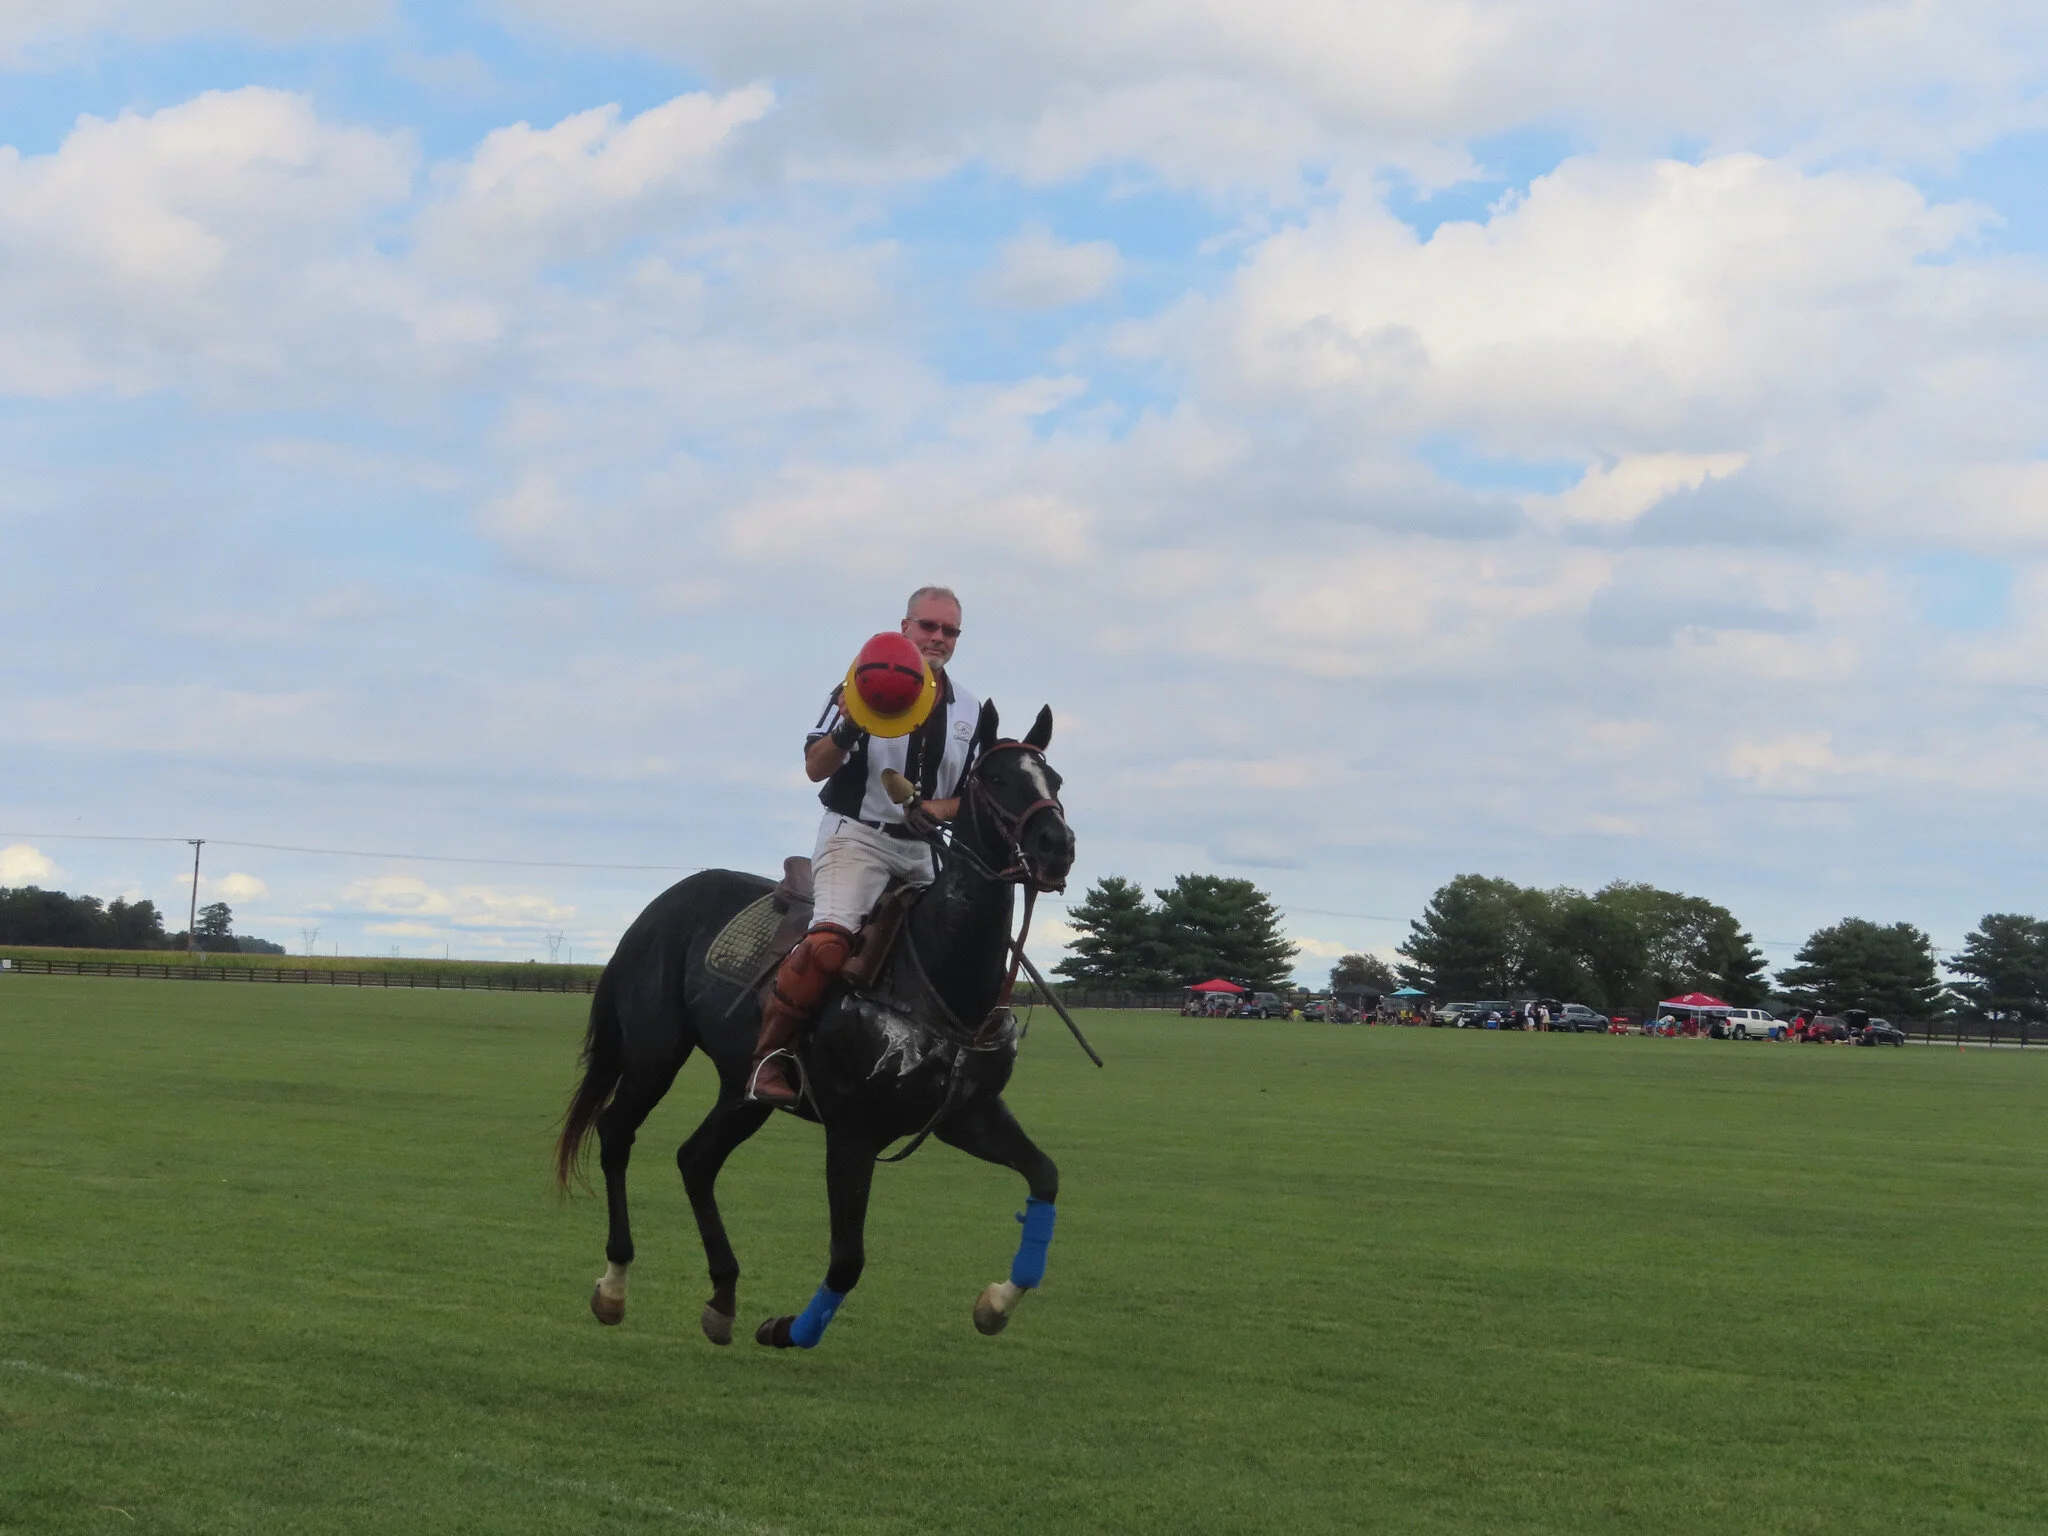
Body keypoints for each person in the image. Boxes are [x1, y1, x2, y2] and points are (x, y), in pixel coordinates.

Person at [745, 586, 982, 1106]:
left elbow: (972, 796)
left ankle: (962, 1058)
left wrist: (936, 810)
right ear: (905, 627)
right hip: (856, 839)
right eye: (928, 626)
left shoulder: (969, 708)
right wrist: (851, 724)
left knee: (963, 939)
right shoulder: (859, 684)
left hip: (924, 850)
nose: (938, 638)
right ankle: (768, 1058)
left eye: (950, 631)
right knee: (830, 944)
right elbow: (815, 768)